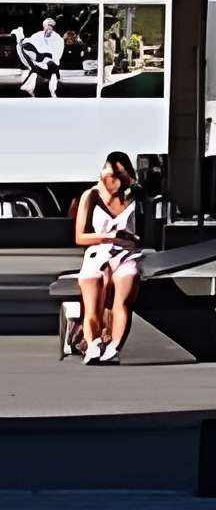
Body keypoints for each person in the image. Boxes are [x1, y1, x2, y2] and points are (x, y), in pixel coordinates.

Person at [73, 152, 142, 366]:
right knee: (93, 296)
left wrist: (130, 241)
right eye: (111, 175)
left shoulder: (135, 197)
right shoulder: (91, 196)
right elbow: (80, 237)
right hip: (98, 252)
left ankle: (114, 347)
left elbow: (144, 233)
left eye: (120, 175)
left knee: (124, 294)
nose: (114, 181)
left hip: (126, 254)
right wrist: (110, 237)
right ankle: (93, 345)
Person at [17, 13, 67, 96]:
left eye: (51, 26)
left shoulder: (57, 38)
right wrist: (22, 41)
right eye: (47, 26)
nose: (49, 28)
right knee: (34, 70)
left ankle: (53, 91)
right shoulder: (38, 35)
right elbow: (29, 41)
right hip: (39, 62)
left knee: (54, 71)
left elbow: (58, 52)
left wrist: (50, 58)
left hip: (51, 62)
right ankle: (29, 88)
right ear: (44, 26)